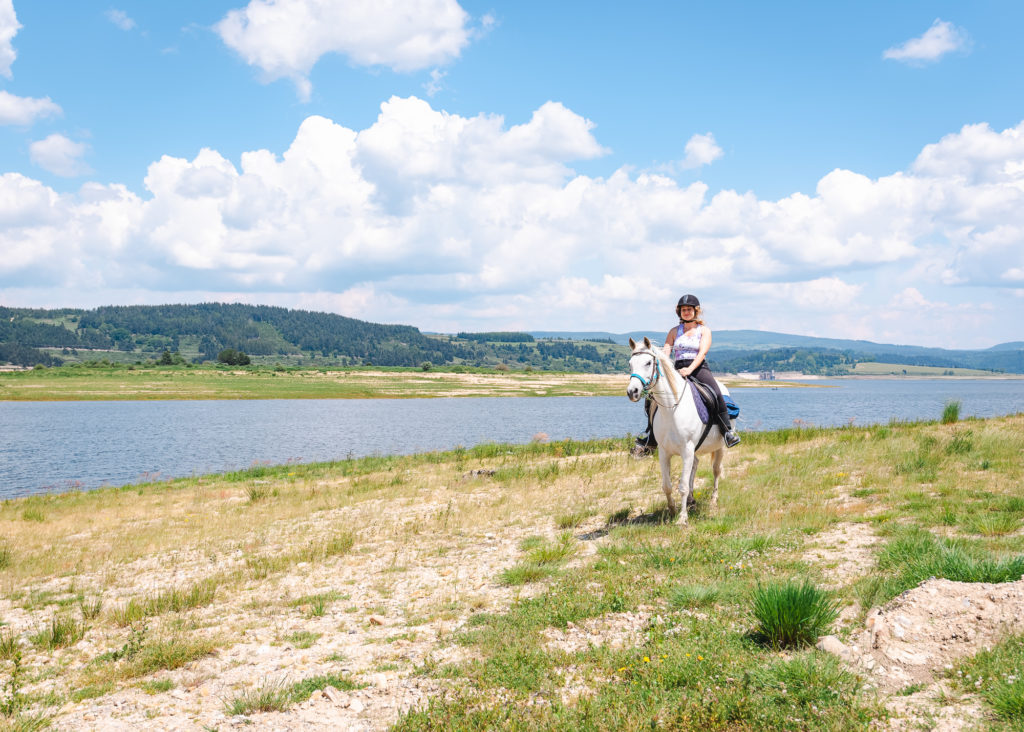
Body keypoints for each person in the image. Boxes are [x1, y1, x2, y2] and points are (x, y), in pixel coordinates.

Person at [634, 294, 740, 451]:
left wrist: (690, 369)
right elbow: (666, 353)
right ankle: (650, 435)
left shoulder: (704, 331)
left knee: (716, 393)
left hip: (698, 368)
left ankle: (727, 432)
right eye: (683, 310)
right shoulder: (674, 331)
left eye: (689, 309)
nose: (686, 312)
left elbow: (702, 353)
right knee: (651, 397)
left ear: (696, 311)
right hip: (677, 369)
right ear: (679, 312)